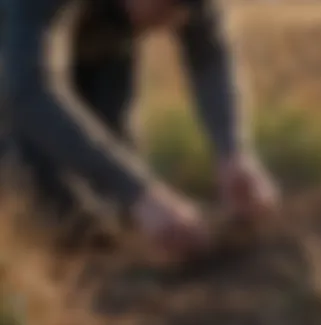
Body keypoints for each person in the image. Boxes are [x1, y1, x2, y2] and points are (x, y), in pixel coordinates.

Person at [1, 0, 279, 260]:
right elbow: (27, 92)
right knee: (46, 200)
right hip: (15, 41)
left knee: (120, 199)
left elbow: (209, 53)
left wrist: (233, 153)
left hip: (98, 33)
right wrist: (141, 194)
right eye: (166, 6)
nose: (171, 21)